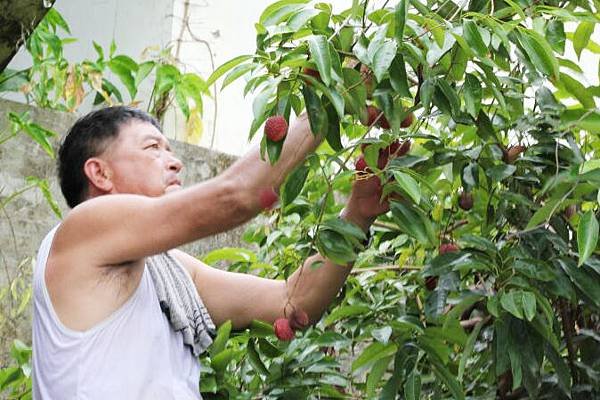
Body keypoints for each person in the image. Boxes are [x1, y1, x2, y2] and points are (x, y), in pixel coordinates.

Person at [32, 106, 390, 399]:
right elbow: (239, 195)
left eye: (169, 150)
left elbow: (292, 304)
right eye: (152, 148)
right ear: (100, 173)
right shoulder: (82, 229)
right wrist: (327, 98)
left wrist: (357, 216)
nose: (174, 162)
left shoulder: (169, 270)